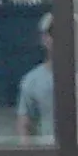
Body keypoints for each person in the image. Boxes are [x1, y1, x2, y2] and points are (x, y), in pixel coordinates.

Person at [16, 12, 54, 142]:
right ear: (44, 39)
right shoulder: (32, 81)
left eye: (71, 31)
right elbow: (25, 128)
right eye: (54, 33)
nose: (64, 38)